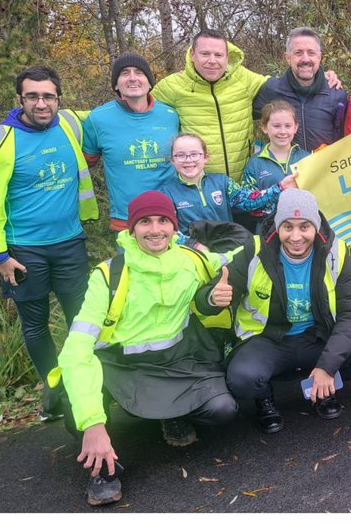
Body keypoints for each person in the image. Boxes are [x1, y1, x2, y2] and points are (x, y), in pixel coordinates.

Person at [54, 192, 238, 506]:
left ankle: (172, 415)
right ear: (131, 229)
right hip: (119, 365)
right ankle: (104, 469)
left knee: (223, 409)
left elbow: (233, 256)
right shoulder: (108, 275)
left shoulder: (191, 260)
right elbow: (76, 351)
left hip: (175, 361)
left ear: (174, 226)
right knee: (76, 411)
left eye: (163, 220)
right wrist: (94, 423)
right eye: (145, 222)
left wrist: (284, 230)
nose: (155, 229)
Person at [0, 66, 98, 420]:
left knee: (82, 318)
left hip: (70, 243)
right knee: (35, 324)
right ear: (20, 99)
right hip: (23, 251)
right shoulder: (0, 139)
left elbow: (119, 107)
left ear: (59, 98)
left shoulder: (71, 124)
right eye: (33, 96)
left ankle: (86, 386)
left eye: (48, 96)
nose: (41, 103)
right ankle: (54, 389)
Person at [225, 190, 351, 432]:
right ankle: (264, 397)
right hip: (269, 338)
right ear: (278, 227)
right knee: (241, 379)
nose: (296, 236)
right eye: (288, 227)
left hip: (317, 336)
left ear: (315, 227)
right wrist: (212, 298)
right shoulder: (253, 250)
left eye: (304, 227)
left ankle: (323, 388)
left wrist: (327, 366)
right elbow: (214, 294)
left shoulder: (336, 253)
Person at [151, 29, 269, 182]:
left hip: (243, 183)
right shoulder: (172, 86)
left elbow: (282, 89)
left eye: (218, 55)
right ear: (193, 55)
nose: (212, 60)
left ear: (227, 57)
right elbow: (141, 111)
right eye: (205, 54)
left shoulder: (242, 78)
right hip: (198, 189)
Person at [82, 52, 179, 232]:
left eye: (139, 72)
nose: (133, 78)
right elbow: (83, 164)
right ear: (116, 84)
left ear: (149, 82)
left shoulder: (171, 115)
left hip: (171, 215)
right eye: (125, 73)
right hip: (126, 221)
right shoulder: (98, 119)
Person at [159, 132, 294, 235]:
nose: (188, 160)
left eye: (195, 154)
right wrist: (195, 246)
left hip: (228, 248)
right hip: (193, 255)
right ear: (172, 160)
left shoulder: (222, 182)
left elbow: (248, 201)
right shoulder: (166, 194)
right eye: (181, 155)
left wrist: (280, 187)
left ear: (206, 157)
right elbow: (171, 232)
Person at [251, 27, 347, 153]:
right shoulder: (271, 91)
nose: (305, 59)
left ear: (319, 57)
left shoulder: (336, 93)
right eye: (298, 53)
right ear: (288, 58)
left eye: (311, 53)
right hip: (286, 172)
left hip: (326, 170)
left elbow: (348, 138)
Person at [241, 102, 310, 225]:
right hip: (268, 228)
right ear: (264, 127)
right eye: (276, 126)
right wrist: (278, 189)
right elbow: (247, 203)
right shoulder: (256, 163)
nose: (282, 131)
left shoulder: (307, 158)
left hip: (303, 228)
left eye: (288, 126)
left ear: (295, 127)